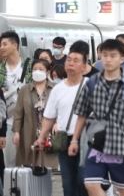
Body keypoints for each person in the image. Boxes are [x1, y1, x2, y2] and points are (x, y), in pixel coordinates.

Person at [69, 38, 124, 196]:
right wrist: (75, 139)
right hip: (98, 145)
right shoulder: (91, 83)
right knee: (90, 184)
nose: (107, 59)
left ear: (122, 58)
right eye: (104, 55)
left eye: (112, 55)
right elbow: (82, 114)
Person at [35, 46, 88, 196]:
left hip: (86, 141)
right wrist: (41, 137)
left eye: (76, 60)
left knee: (82, 181)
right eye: (69, 60)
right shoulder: (58, 89)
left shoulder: (91, 85)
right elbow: (49, 117)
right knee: (67, 183)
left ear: (84, 67)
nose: (71, 63)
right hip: (64, 140)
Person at [13, 59, 55, 167]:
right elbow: (18, 113)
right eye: (35, 69)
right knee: (29, 164)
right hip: (29, 131)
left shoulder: (54, 89)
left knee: (48, 165)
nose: (37, 71)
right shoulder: (24, 90)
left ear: (47, 72)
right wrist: (16, 131)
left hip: (49, 133)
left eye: (41, 69)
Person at [1, 31, 34, 167]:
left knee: (28, 161)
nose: (1, 47)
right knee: (9, 162)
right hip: (7, 121)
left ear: (15, 45)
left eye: (4, 44)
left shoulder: (29, 66)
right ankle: (11, 188)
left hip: (27, 121)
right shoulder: (1, 69)